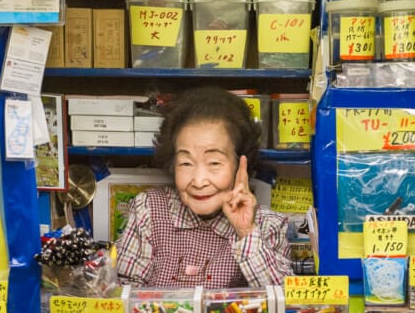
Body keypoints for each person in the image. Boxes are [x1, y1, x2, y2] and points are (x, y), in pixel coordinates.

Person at [115, 88, 291, 288]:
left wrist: (246, 232)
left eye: (214, 163)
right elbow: (123, 293)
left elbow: (284, 304)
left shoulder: (268, 225)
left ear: (241, 165)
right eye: (186, 163)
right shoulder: (148, 209)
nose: (198, 181)